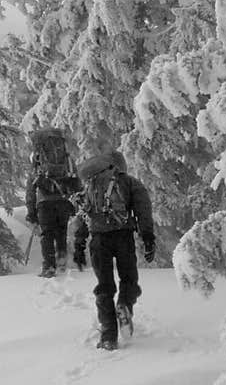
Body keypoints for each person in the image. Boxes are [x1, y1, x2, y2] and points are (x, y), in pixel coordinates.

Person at [72, 149, 156, 351]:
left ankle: (109, 336)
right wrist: (148, 238)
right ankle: (125, 305)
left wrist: (79, 244)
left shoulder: (91, 184)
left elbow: (83, 216)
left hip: (98, 240)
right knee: (129, 279)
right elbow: (143, 211)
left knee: (104, 286)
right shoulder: (130, 183)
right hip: (123, 237)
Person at [25, 126, 80, 278]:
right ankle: (61, 262)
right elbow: (76, 181)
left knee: (47, 234)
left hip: (44, 202)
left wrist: (31, 211)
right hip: (63, 201)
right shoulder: (67, 159)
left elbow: (31, 188)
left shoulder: (37, 160)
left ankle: (49, 266)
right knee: (61, 231)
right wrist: (75, 202)